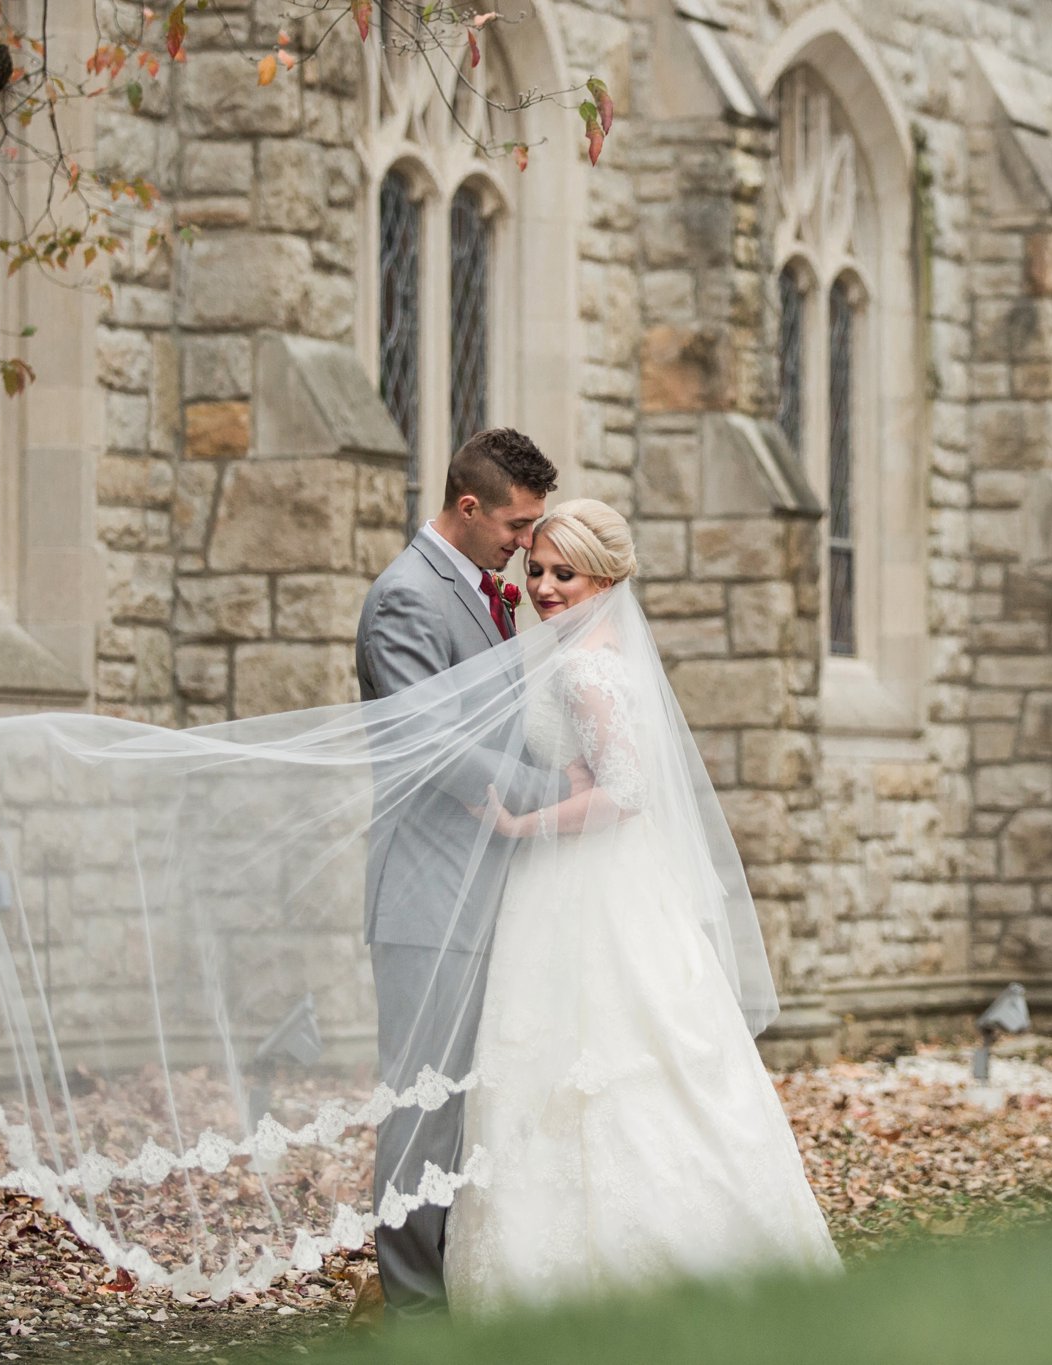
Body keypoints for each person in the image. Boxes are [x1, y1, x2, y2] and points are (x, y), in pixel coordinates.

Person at [441, 499, 841, 1314]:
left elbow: (621, 791)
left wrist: (522, 821)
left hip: (588, 883)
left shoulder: (588, 665)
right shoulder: (591, 649)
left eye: (565, 573)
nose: (545, 587)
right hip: (593, 880)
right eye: (539, 569)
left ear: (607, 578)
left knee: (603, 1055)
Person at [354, 428, 569, 1319]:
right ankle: (407, 1308)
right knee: (423, 1104)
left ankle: (449, 1279)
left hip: (490, 888)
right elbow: (432, 745)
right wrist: (563, 795)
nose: (526, 545)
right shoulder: (405, 597)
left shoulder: (487, 594)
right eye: (516, 526)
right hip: (428, 894)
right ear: (469, 506)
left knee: (474, 1099)